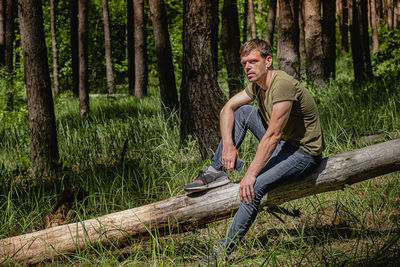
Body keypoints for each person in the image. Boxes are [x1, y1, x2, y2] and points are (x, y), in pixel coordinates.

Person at [184, 38, 324, 265]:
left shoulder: (282, 84)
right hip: (285, 144)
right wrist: (228, 146)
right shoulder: (257, 85)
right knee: (243, 111)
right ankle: (215, 171)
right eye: (244, 63)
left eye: (253, 61)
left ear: (268, 61)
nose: (248, 67)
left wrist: (250, 173)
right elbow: (227, 108)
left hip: (304, 153)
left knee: (254, 187)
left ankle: (218, 255)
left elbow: (273, 136)